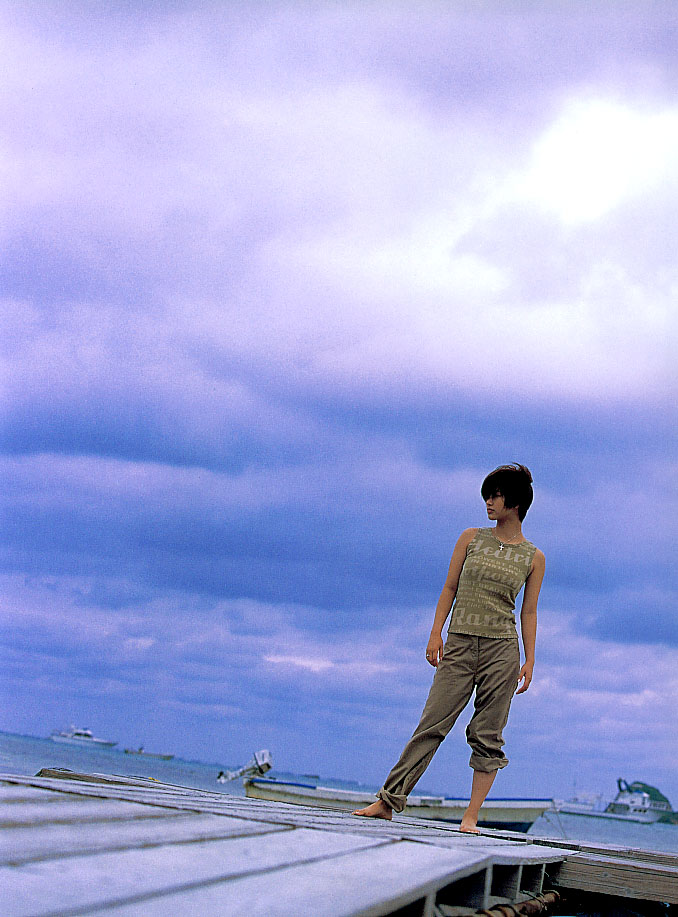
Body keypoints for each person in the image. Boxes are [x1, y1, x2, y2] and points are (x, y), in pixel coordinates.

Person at [353, 463, 545, 833]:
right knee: (432, 723)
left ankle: (470, 816)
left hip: (503, 652)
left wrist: (530, 659)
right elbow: (450, 588)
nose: (488, 502)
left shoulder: (534, 557)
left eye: (496, 496)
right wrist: (435, 632)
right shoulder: (470, 538)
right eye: (487, 495)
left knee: (488, 734)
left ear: (516, 503)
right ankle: (388, 801)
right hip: (459, 643)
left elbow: (529, 611)